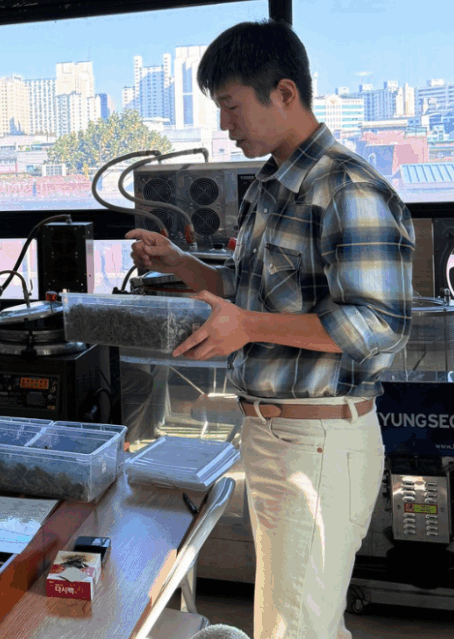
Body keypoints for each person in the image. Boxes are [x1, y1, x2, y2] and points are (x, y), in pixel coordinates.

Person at [126, 20, 414, 639]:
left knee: (293, 627)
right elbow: (249, 288)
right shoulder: (271, 185)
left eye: (231, 106)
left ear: (285, 93)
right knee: (303, 619)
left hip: (318, 442)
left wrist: (248, 326)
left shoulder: (346, 188)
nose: (225, 125)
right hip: (274, 436)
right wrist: (179, 262)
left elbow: (380, 323)